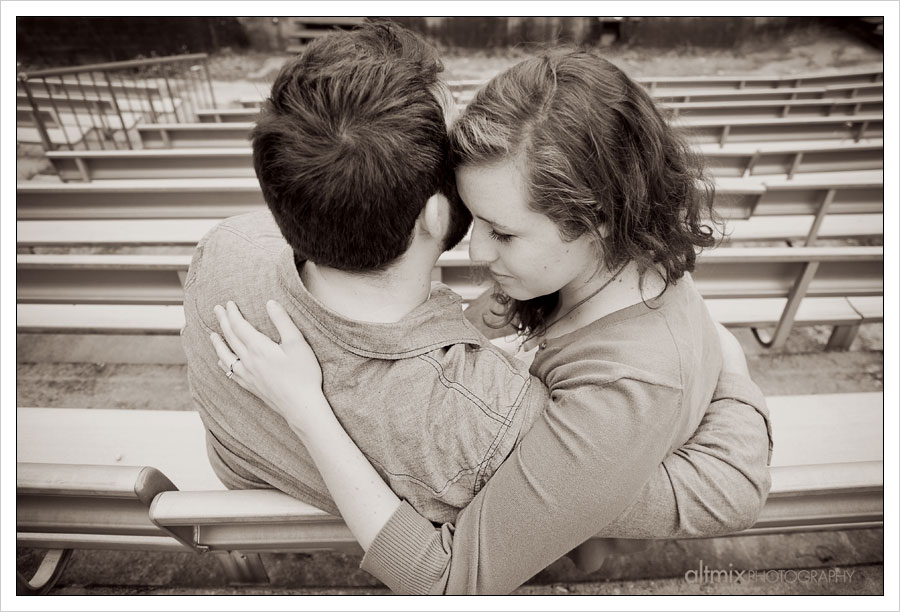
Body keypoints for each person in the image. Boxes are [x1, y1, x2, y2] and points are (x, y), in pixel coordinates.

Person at [205, 33, 773, 595]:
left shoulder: (625, 393)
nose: (475, 253)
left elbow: (721, 489)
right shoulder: (577, 267)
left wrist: (731, 367)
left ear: (598, 218)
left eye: (502, 231)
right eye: (474, 218)